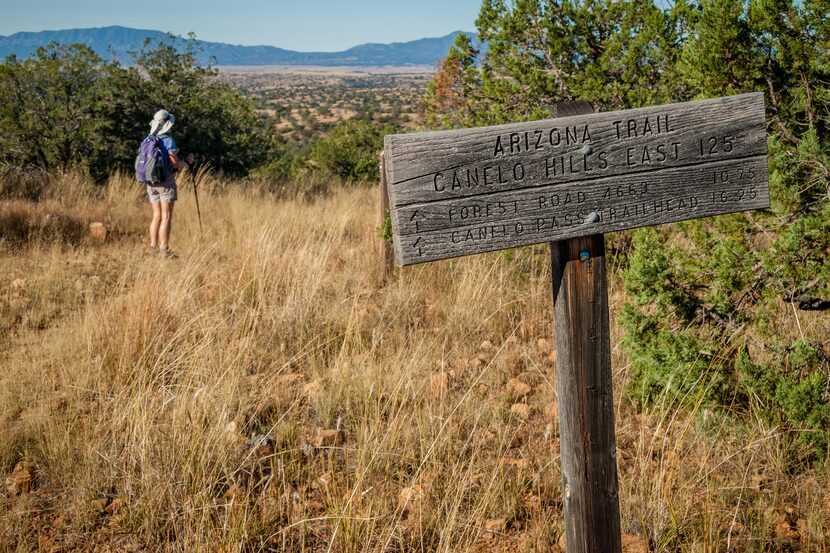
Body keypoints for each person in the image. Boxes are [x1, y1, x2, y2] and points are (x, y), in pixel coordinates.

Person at [144, 109, 194, 255]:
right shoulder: (168, 140)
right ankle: (164, 249)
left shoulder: (148, 139)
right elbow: (175, 163)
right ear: (167, 124)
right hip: (165, 182)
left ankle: (153, 247)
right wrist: (187, 163)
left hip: (150, 181)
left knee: (156, 215)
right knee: (166, 216)